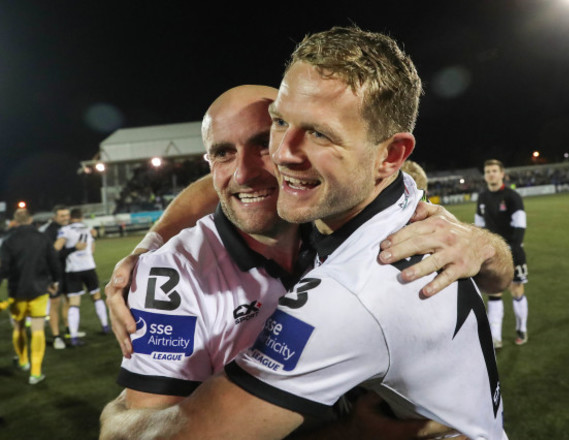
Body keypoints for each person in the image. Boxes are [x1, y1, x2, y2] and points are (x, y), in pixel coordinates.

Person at [100, 26, 509, 439]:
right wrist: (151, 244)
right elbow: (232, 179)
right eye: (280, 123)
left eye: (317, 133)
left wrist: (485, 246)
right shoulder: (400, 201)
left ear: (389, 156)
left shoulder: (349, 288)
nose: (280, 154)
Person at [0, 208, 60, 384]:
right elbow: (54, 261)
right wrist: (55, 281)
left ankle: (23, 361)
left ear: (15, 221)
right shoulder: (42, 238)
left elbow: (3, 269)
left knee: (18, 328)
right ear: (31, 219)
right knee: (38, 329)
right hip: (39, 290)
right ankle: (35, 372)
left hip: (16, 292)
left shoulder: (8, 241)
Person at [476, 159, 529, 348]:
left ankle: (521, 329)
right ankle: (495, 337)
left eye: (494, 171)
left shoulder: (512, 196)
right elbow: (479, 226)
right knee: (494, 292)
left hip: (513, 251)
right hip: (492, 254)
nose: (490, 174)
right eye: (487, 171)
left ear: (501, 173)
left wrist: (510, 249)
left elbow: (520, 226)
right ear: (485, 175)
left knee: (516, 290)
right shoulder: (482, 197)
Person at [54, 208, 109, 346]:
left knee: (74, 302)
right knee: (96, 296)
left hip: (73, 270)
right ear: (82, 217)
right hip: (89, 267)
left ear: (71, 217)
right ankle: (105, 326)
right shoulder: (89, 229)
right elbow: (92, 249)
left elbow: (56, 247)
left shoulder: (66, 230)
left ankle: (73, 337)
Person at [40, 205, 86, 349]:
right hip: (54, 273)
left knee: (68, 301)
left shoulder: (67, 228)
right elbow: (52, 254)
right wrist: (74, 249)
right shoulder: (50, 231)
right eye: (62, 216)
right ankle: (56, 337)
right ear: (55, 217)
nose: (66, 218)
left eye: (67, 215)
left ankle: (68, 330)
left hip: (67, 271)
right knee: (55, 304)